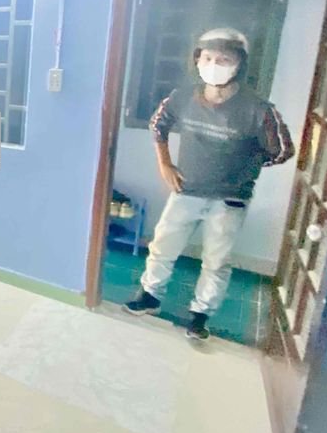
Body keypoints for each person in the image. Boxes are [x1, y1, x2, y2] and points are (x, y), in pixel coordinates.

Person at [123, 28, 295, 340]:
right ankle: (149, 297)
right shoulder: (183, 96)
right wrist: (165, 164)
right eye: (208, 58)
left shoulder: (258, 109)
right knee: (162, 246)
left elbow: (282, 150)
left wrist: (244, 168)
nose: (214, 65)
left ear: (239, 64)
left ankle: (200, 316)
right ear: (197, 60)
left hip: (229, 199)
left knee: (216, 261)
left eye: (224, 59)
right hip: (186, 189)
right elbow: (158, 124)